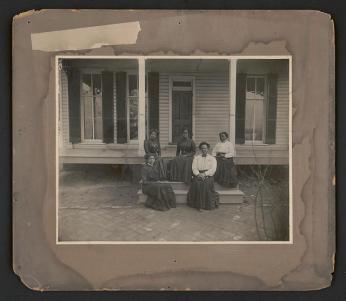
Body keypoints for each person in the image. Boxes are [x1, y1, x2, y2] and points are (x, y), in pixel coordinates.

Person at [187, 142, 219, 211]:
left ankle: (205, 205)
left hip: (208, 175)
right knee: (197, 184)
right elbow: (194, 168)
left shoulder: (212, 158)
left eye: (205, 148)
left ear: (208, 149)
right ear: (200, 149)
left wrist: (204, 174)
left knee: (205, 184)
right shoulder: (196, 158)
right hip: (198, 174)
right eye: (202, 148)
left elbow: (213, 169)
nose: (203, 150)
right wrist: (198, 174)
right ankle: (198, 205)